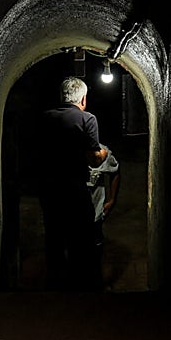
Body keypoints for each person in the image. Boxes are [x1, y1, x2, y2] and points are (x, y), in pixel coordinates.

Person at [37, 76, 108, 290]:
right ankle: (83, 288)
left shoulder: (43, 118)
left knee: (54, 236)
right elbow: (94, 158)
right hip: (75, 187)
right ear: (83, 98)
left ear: (62, 96)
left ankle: (56, 287)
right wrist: (103, 154)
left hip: (48, 188)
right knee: (82, 238)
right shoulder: (87, 119)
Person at [87, 149, 121, 286]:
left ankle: (95, 280)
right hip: (75, 214)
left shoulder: (102, 154)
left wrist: (112, 199)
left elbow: (115, 172)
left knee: (95, 247)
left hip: (95, 212)